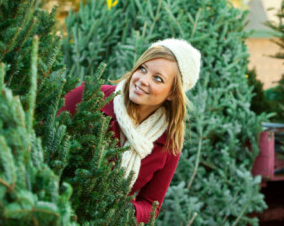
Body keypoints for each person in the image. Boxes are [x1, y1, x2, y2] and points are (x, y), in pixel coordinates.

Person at [58, 38, 201, 223]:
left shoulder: (169, 142)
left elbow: (151, 204)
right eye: (142, 69)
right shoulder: (92, 96)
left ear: (173, 93)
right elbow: (43, 133)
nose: (142, 80)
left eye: (158, 78)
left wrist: (122, 209)